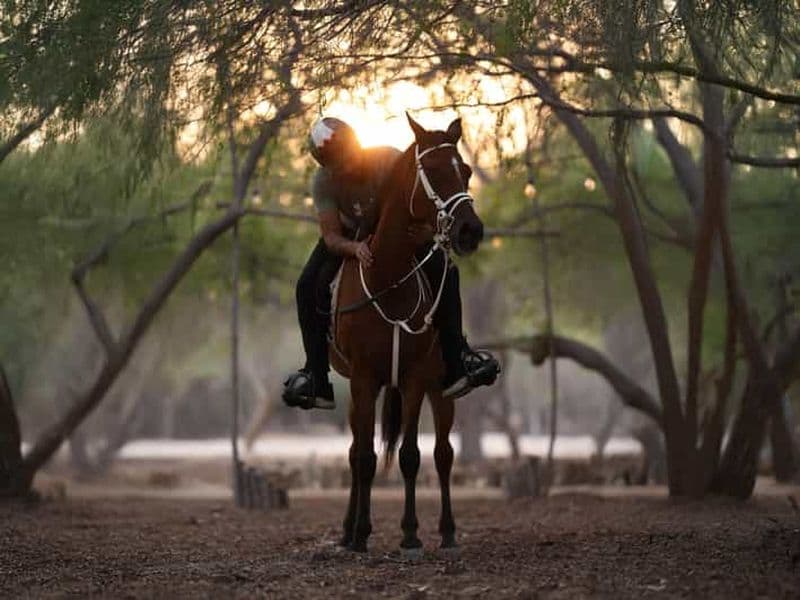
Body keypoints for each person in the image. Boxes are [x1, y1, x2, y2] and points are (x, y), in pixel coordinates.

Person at [283, 116, 499, 410]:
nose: (347, 166)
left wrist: (428, 231)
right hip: (348, 236)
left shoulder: (389, 160)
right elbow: (331, 236)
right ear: (327, 167)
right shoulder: (322, 182)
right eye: (337, 165)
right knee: (307, 285)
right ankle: (316, 376)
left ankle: (457, 358)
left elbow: (424, 198)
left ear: (357, 144)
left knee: (447, 271)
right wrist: (354, 247)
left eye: (348, 156)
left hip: (398, 232)